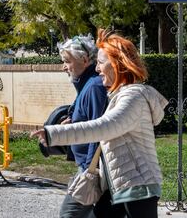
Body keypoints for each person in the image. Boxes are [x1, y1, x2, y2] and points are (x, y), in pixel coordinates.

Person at [32, 29, 168, 218]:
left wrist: (54, 134)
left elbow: (103, 127)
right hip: (121, 185)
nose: (96, 69)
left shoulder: (133, 97)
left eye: (101, 63)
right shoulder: (120, 96)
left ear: (117, 65)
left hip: (138, 187)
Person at [57, 34, 108, 218]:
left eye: (67, 61)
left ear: (85, 60)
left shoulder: (93, 87)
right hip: (89, 167)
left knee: (69, 214)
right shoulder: (86, 84)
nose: (64, 67)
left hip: (90, 169)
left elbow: (98, 130)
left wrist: (89, 172)